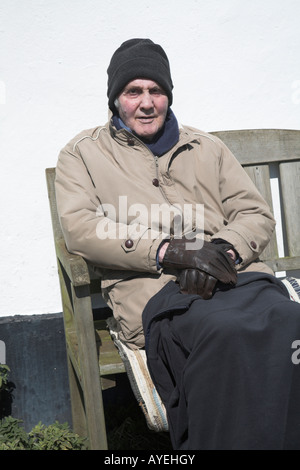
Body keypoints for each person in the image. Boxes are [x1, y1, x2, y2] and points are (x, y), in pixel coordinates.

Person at [55, 38, 300, 450]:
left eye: (156, 91)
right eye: (134, 92)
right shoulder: (82, 154)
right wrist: (170, 251)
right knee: (224, 331)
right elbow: (82, 227)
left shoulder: (207, 148)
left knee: (288, 319)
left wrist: (223, 250)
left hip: (235, 277)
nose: (146, 103)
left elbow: (255, 214)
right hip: (158, 290)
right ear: (116, 98)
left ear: (168, 96)